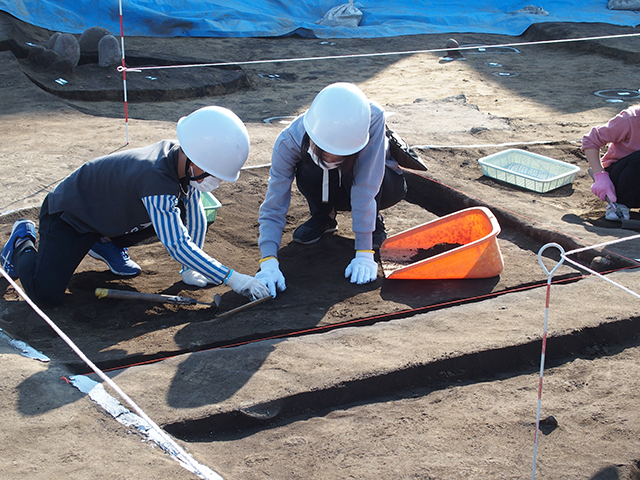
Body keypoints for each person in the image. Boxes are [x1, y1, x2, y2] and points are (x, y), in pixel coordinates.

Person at [1, 106, 270, 307]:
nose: (216, 181)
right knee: (44, 295)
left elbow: (196, 216)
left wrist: (193, 269)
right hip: (71, 215)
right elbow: (176, 244)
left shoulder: (181, 160)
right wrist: (234, 279)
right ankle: (22, 240)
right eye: (213, 173)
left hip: (106, 214)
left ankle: (105, 243)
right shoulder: (155, 178)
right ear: (196, 161)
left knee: (184, 216)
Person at [255, 82, 406, 297]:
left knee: (379, 177)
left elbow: (366, 186)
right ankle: (324, 216)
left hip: (375, 182)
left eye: (340, 154)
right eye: (326, 151)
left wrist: (364, 251)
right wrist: (268, 260)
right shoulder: (288, 142)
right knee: (314, 172)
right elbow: (274, 203)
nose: (333, 158)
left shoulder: (372, 118)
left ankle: (373, 221)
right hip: (322, 183)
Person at [583, 104, 640, 221]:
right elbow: (591, 140)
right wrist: (599, 176)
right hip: (620, 180)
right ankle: (620, 205)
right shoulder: (630, 119)